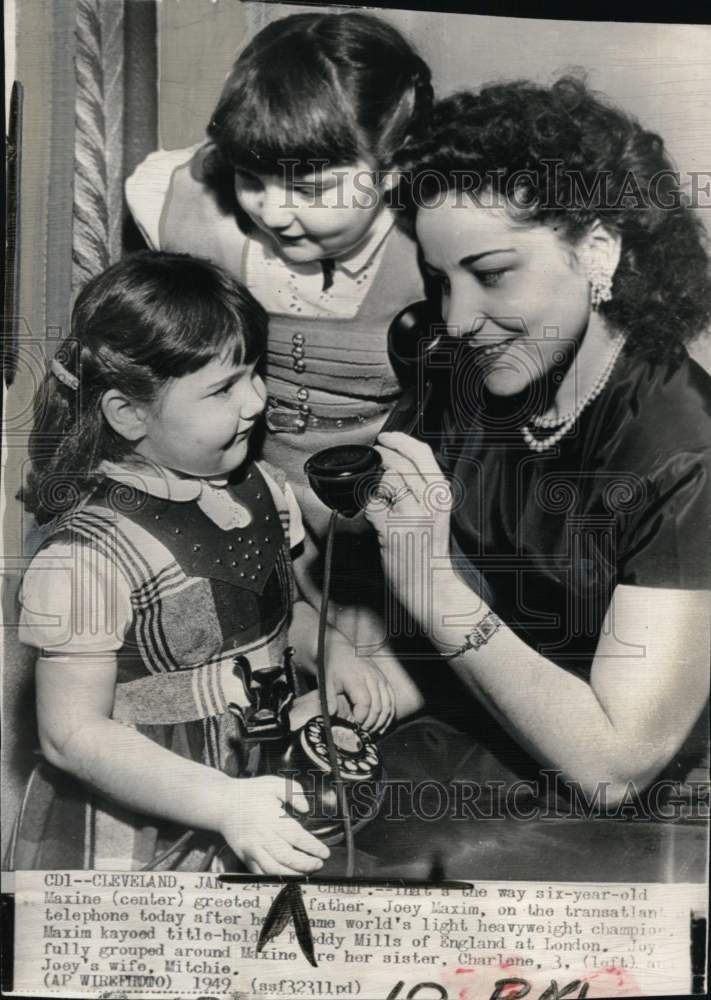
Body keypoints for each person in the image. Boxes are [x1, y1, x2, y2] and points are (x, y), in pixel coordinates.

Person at [366, 76, 711, 806]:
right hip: (478, 735)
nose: (456, 318)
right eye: (439, 279)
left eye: (491, 274)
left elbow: (613, 769)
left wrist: (427, 587)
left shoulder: (688, 453)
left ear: (597, 253)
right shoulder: (467, 374)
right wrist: (361, 688)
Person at [13, 251, 397, 875]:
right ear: (128, 414)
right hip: (145, 819)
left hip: (259, 778)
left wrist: (331, 649)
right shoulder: (82, 561)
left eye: (254, 372)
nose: (257, 400)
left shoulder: (264, 488)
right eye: (223, 388)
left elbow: (282, 611)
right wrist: (222, 803)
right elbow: (71, 736)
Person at [125, 12, 433, 679]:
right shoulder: (179, 199)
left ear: (392, 169)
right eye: (252, 177)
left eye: (310, 188)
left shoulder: (437, 245)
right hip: (228, 498)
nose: (272, 211)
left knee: (388, 683)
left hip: (372, 524)